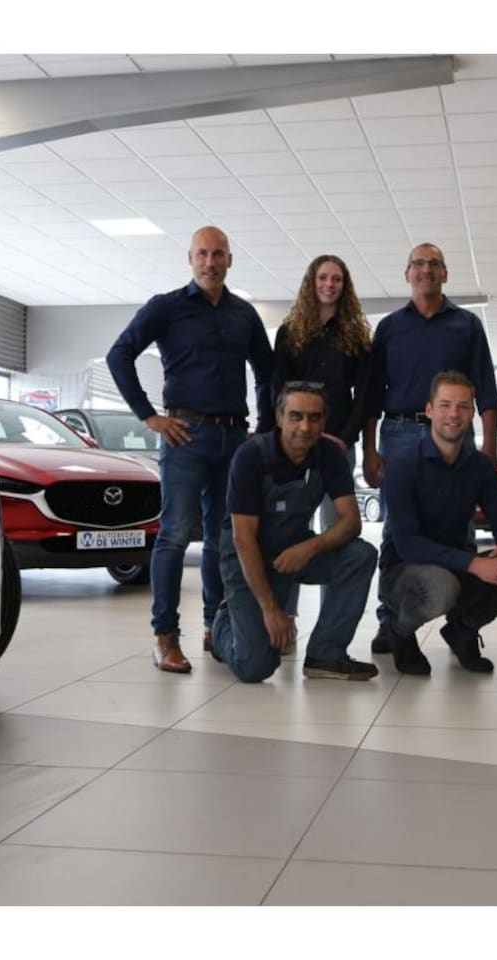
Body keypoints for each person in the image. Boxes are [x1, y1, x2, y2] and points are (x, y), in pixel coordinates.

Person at [106, 225, 274, 675]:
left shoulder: (243, 314)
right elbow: (119, 355)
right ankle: (165, 637)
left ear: (230, 260)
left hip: (233, 439)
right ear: (190, 258)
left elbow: (267, 371)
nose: (210, 263)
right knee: (176, 534)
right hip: (184, 436)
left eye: (218, 254)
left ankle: (215, 629)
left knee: (223, 538)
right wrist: (149, 416)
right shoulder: (166, 307)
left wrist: (264, 427)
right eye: (202, 254)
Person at [361, 243, 497, 652]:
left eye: (434, 263)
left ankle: (461, 623)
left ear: (445, 273)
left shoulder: (466, 325)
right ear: (407, 274)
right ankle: (391, 621)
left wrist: (489, 448)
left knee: (461, 524)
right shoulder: (389, 328)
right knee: (396, 528)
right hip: (400, 432)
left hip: (457, 433)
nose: (426, 270)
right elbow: (372, 394)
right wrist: (369, 450)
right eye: (419, 264)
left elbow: (486, 389)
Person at [378, 371, 497, 675]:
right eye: (445, 405)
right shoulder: (402, 465)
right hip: (404, 573)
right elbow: (408, 544)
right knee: (441, 586)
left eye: (463, 406)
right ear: (429, 410)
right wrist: (473, 564)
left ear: (472, 412)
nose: (454, 414)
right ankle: (399, 631)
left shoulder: (479, 465)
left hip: (457, 567)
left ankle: (463, 628)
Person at [210, 383, 378, 683]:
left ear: (324, 422)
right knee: (256, 667)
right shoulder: (251, 456)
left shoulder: (329, 454)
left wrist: (309, 548)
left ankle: (325, 655)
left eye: (314, 417)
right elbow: (243, 538)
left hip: (293, 551)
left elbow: (351, 521)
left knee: (360, 555)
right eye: (296, 416)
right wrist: (271, 609)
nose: (305, 426)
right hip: (246, 559)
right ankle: (223, 625)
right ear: (279, 417)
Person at [270, 255, 372, 647]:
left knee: (339, 534)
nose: (330, 284)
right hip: (293, 446)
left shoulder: (356, 336)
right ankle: (286, 618)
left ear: (345, 286)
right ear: (311, 282)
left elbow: (364, 395)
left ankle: (331, 629)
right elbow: (277, 388)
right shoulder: (290, 331)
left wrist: (343, 437)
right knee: (288, 531)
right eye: (323, 278)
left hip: (337, 447)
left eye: (337, 279)